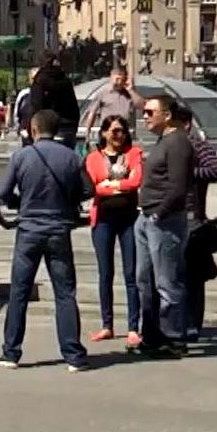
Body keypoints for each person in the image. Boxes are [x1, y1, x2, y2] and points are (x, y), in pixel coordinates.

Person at [0, 110, 90, 371]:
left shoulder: (22, 156)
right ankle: (73, 353)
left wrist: (20, 202)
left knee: (19, 292)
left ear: (34, 130)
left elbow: (2, 192)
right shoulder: (71, 156)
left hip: (29, 229)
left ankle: (11, 352)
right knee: (65, 293)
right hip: (59, 228)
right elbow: (88, 189)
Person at [133, 95, 193, 357]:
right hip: (146, 218)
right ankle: (152, 334)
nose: (144, 116)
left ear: (167, 115)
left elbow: (178, 187)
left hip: (164, 221)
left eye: (149, 112)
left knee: (167, 282)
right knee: (144, 279)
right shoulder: (163, 141)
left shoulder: (178, 142)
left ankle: (174, 337)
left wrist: (160, 213)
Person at [83, 115, 143, 345]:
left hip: (129, 219)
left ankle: (133, 327)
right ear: (105, 133)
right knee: (105, 274)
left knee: (131, 274)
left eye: (122, 131)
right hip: (103, 220)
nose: (119, 135)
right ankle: (106, 324)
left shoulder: (134, 154)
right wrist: (112, 187)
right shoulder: (93, 157)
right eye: (115, 131)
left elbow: (136, 181)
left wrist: (112, 184)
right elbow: (92, 186)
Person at [174, 104, 217, 341]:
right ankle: (179, 323)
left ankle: (192, 324)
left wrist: (189, 172)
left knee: (193, 277)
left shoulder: (198, 146)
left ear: (185, 124)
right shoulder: (169, 147)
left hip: (193, 219)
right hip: (171, 218)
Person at [25, 53, 80, 146]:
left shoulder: (40, 80)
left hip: (46, 128)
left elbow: (35, 106)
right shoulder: (65, 80)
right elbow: (74, 106)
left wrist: (29, 129)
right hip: (67, 127)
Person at [81, 67, 144, 140]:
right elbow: (92, 113)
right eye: (117, 79)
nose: (119, 82)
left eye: (122, 79)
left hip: (124, 133)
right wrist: (87, 133)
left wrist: (130, 90)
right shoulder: (103, 93)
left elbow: (142, 105)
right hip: (107, 132)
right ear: (111, 77)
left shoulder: (129, 94)